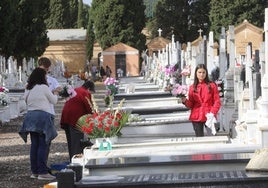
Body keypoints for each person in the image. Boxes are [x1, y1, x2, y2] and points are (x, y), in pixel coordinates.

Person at [19, 68, 59, 180]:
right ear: (42, 77)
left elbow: (25, 100)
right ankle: (42, 172)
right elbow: (54, 101)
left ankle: (35, 171)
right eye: (45, 76)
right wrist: (55, 92)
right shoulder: (44, 87)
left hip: (30, 116)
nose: (46, 78)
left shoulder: (28, 87)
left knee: (34, 145)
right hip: (42, 116)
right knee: (43, 145)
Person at [181, 64, 221, 137]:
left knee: (212, 137)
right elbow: (191, 105)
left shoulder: (212, 85)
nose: (201, 74)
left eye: (203, 72)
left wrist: (213, 112)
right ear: (196, 73)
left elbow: (217, 101)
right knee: (199, 138)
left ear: (206, 73)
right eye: (199, 72)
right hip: (197, 116)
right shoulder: (192, 87)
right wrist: (185, 101)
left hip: (209, 115)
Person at [60, 80, 95, 162]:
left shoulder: (75, 90)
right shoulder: (85, 93)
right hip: (75, 119)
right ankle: (77, 163)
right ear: (89, 88)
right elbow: (89, 108)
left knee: (71, 141)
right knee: (77, 142)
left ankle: (72, 159)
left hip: (66, 116)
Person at [38, 57, 61, 173]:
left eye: (45, 70)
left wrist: (53, 92)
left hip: (49, 112)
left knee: (46, 142)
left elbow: (59, 88)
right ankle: (39, 168)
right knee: (39, 143)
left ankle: (42, 165)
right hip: (41, 113)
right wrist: (52, 94)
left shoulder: (51, 80)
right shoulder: (35, 81)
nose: (44, 71)